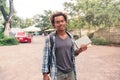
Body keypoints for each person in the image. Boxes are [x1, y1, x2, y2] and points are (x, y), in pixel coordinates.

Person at [42, 12, 87, 80]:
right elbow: (46, 57)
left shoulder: (70, 37)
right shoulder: (50, 38)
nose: (60, 23)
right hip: (57, 73)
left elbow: (72, 53)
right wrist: (45, 74)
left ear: (65, 22)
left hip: (71, 72)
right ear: (54, 24)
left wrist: (80, 50)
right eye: (57, 22)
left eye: (62, 21)